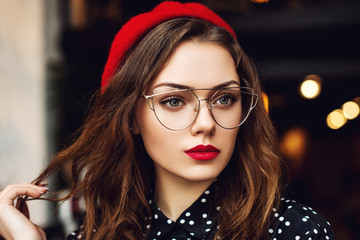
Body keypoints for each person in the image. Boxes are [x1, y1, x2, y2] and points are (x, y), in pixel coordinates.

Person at [0, 1, 335, 240]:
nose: (206, 123)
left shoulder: (294, 230)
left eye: (224, 99)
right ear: (131, 117)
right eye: (174, 100)